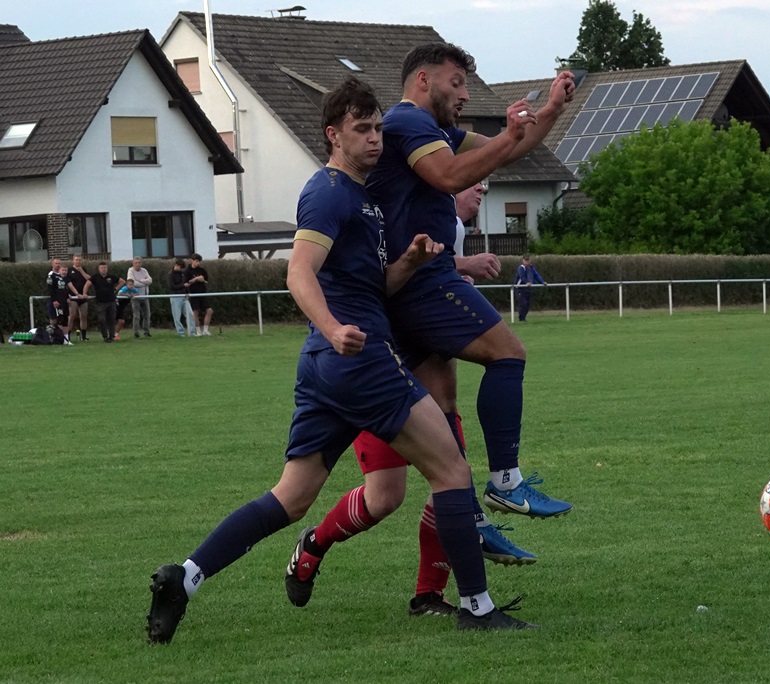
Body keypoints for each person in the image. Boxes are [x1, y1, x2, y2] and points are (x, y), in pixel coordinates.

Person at [146, 77, 534, 646]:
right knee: (451, 470)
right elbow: (298, 270)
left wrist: (408, 262)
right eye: (362, 129)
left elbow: (369, 285)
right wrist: (332, 327)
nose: (376, 138)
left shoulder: (363, 198)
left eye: (379, 128)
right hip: (359, 359)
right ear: (333, 134)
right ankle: (477, 608)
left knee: (291, 497)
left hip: (325, 367)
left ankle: (185, 576)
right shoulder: (329, 191)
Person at [287, 181, 533, 620]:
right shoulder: (395, 208)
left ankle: (429, 595)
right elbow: (385, 271)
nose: (479, 185)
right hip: (382, 380)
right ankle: (315, 543)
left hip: (433, 392)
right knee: (385, 497)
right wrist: (462, 265)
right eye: (469, 176)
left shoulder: (448, 224)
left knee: (451, 481)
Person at [364, 43, 576, 518]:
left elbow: (512, 150)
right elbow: (448, 176)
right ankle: (505, 482)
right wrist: (508, 134)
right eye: (456, 82)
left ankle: (468, 519)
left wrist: (550, 110)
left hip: (406, 285)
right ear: (423, 80)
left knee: (443, 405)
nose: (464, 94)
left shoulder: (435, 129)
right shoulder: (408, 121)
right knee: (508, 353)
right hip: (424, 280)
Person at [88, 262, 125, 343]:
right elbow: (87, 284)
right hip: (100, 302)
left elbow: (122, 281)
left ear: (107, 268)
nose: (103, 269)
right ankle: (105, 336)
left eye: (105, 267)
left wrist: (116, 289)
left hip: (111, 301)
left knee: (112, 320)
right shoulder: (95, 277)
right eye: (102, 268)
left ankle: (111, 337)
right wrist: (84, 293)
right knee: (101, 319)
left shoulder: (111, 277)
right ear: (99, 269)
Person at [184, 254, 213, 336]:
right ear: (192, 260)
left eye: (199, 261)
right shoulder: (187, 271)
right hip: (193, 293)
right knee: (195, 312)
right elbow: (186, 283)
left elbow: (206, 281)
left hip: (202, 293)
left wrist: (202, 280)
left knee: (209, 310)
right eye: (196, 261)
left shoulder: (202, 270)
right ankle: (198, 330)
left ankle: (205, 330)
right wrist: (196, 279)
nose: (198, 263)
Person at [168, 259, 197, 337]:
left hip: (184, 297)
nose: (181, 269)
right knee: (177, 316)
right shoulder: (171, 275)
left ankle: (192, 332)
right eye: (180, 268)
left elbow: (185, 282)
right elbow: (172, 286)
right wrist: (183, 285)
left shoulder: (183, 273)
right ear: (176, 265)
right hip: (175, 297)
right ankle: (180, 332)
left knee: (190, 314)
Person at [513, 255, 547, 322]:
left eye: (528, 260)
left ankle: (523, 318)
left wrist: (542, 282)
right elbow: (522, 277)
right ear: (523, 260)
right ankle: (521, 318)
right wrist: (527, 282)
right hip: (520, 288)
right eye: (525, 260)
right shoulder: (521, 268)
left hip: (527, 289)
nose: (527, 262)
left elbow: (536, 275)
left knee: (527, 304)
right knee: (523, 303)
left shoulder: (531, 268)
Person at [66, 254, 90, 341]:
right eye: (76, 260)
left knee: (83, 316)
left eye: (79, 260)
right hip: (73, 296)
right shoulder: (69, 271)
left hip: (83, 296)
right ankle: (67, 336)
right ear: (73, 261)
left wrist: (81, 271)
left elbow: (89, 279)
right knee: (72, 316)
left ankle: (83, 336)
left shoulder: (84, 269)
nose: (78, 261)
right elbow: (67, 283)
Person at [127, 257, 153, 337]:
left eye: (139, 263)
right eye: (136, 263)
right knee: (136, 316)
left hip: (145, 296)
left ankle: (146, 331)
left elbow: (150, 280)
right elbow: (132, 283)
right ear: (133, 263)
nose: (138, 264)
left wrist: (140, 280)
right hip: (135, 297)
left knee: (147, 315)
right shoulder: (130, 271)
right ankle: (136, 333)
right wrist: (145, 282)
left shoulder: (144, 270)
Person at [45, 258, 68, 333]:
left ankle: (64, 336)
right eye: (56, 263)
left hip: (62, 300)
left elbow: (64, 288)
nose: (57, 265)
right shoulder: (51, 275)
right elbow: (50, 288)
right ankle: (52, 335)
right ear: (52, 264)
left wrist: (67, 296)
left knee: (63, 319)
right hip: (54, 300)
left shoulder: (62, 275)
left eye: (59, 263)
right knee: (53, 318)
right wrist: (54, 300)